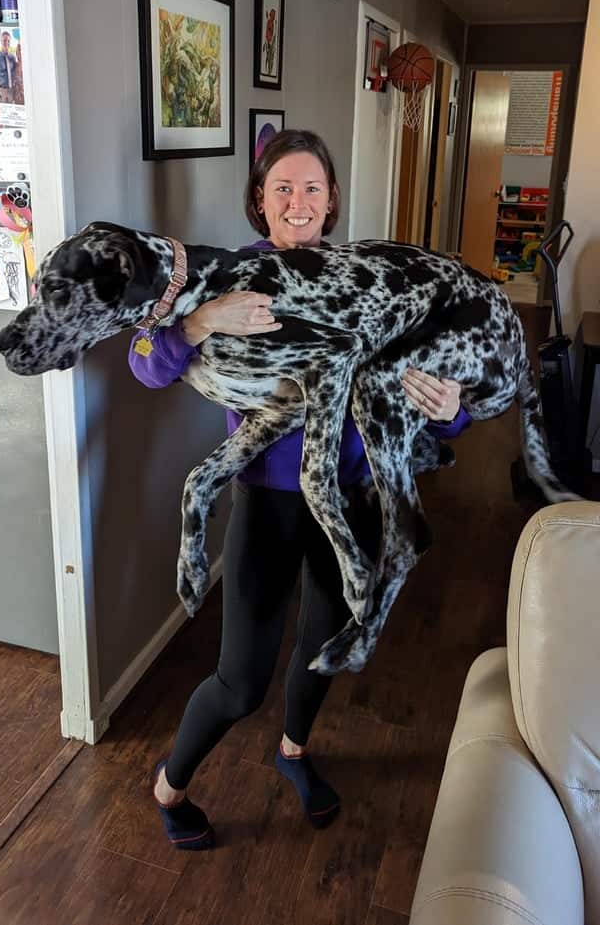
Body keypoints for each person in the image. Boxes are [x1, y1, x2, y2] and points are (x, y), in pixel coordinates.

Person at [128, 129, 470, 849]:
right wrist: (199, 320)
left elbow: (431, 366)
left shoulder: (364, 275)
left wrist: (453, 405)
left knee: (323, 646)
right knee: (240, 680)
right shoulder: (228, 275)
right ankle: (170, 786)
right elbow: (145, 364)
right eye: (282, 187)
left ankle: (294, 749)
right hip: (268, 501)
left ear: (333, 199)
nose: (298, 201)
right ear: (259, 200)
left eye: (312, 187)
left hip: (352, 498)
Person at [0, 31, 17, 102]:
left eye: (8, 41)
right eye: (4, 40)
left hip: (12, 89)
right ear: (1, 41)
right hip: (1, 90)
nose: (6, 42)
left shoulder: (12, 57)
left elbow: (15, 73)